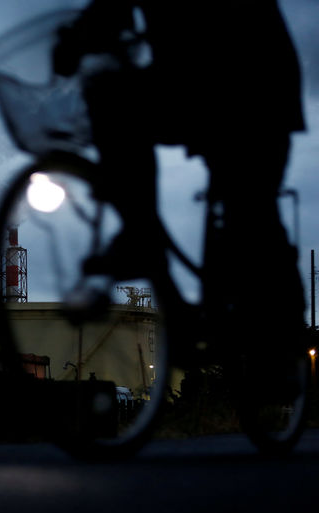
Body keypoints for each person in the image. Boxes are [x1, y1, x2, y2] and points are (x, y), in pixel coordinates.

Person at [53, 0, 307, 365]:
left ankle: (284, 339)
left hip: (254, 86)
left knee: (248, 206)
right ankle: (154, 258)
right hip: (203, 81)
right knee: (114, 99)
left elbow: (111, 11)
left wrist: (75, 41)